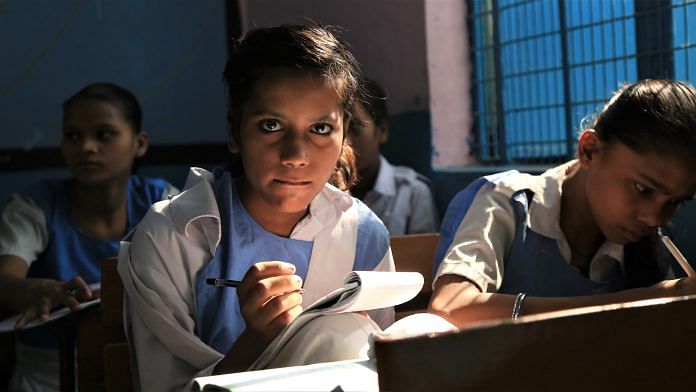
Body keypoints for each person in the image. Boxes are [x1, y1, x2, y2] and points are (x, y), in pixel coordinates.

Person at [118, 25, 395, 391]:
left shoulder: (363, 234)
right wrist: (257, 339)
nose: (296, 155)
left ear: (344, 134)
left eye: (321, 128)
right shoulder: (173, 236)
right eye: (271, 125)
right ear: (235, 131)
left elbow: (379, 371)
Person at [429, 79, 696, 327]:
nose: (653, 218)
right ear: (589, 151)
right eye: (643, 189)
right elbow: (451, 306)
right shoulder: (507, 202)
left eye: (675, 200)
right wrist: (634, 303)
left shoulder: (649, 244)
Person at [0, 82, 177, 391]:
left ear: (139, 143)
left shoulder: (162, 201)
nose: (86, 147)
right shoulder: (36, 206)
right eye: (73, 136)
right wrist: (35, 290)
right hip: (47, 376)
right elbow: (4, 282)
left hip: (141, 368)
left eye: (104, 134)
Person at [348, 79, 439, 235]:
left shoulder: (412, 193)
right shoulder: (319, 193)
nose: (345, 141)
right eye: (333, 129)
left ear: (382, 131)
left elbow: (423, 257)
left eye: (354, 128)